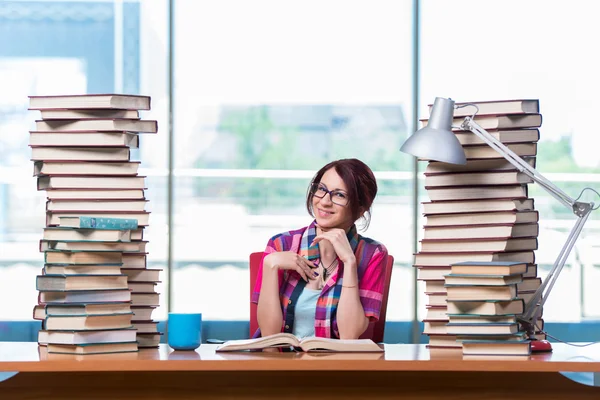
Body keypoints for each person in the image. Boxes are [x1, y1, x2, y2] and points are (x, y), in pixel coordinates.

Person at [251, 158, 388, 340]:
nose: (324, 202)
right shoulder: (280, 245)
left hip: (336, 366)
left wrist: (349, 262)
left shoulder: (372, 254)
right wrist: (270, 264)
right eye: (321, 189)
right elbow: (269, 337)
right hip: (282, 363)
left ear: (361, 208)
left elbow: (349, 335)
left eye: (339, 195)